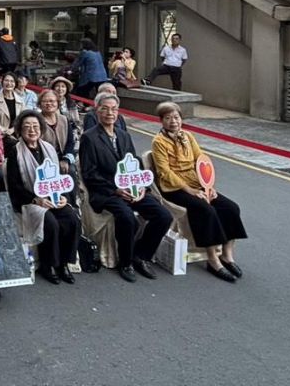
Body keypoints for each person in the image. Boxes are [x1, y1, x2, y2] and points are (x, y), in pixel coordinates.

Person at [79, 92, 173, 283]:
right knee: (127, 217)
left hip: (132, 188)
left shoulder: (124, 135)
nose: (110, 113)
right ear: (97, 111)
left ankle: (142, 255)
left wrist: (139, 187)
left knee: (163, 216)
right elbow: (90, 173)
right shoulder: (89, 137)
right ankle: (126, 262)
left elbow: (134, 164)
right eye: (105, 108)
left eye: (114, 109)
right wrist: (116, 189)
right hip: (107, 191)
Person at [151, 102, 247, 282]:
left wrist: (208, 187)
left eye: (176, 117)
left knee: (231, 207)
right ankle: (212, 259)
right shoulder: (159, 142)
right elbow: (165, 172)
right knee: (205, 209)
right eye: (168, 118)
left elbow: (201, 161)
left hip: (198, 184)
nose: (173, 122)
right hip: (174, 188)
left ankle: (227, 255)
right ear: (161, 121)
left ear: (181, 119)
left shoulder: (188, 136)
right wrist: (191, 190)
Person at [6, 111, 81, 285]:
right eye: (27, 127)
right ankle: (49, 265)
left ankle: (64, 264)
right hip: (29, 200)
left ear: (41, 128)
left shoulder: (48, 148)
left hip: (53, 197)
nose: (32, 130)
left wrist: (62, 197)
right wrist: (35, 199)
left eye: (35, 126)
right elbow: (15, 186)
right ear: (19, 130)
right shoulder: (15, 153)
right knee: (51, 223)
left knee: (71, 219)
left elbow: (58, 180)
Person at [0, 72, 22, 141]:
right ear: (2, 82)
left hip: (17, 134)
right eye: (6, 80)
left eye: (12, 81)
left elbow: (22, 119)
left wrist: (13, 130)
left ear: (15, 84)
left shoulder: (20, 100)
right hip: (0, 135)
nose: (9, 83)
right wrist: (5, 131)